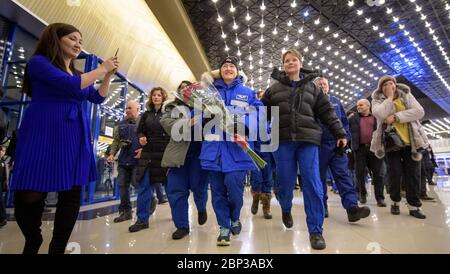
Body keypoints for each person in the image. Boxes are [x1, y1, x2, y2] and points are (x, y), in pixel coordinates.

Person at [9, 23, 118, 254]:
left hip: (73, 134)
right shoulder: (39, 63)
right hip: (43, 130)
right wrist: (101, 69)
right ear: (55, 39)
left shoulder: (78, 74)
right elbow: (69, 85)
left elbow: (97, 98)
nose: (78, 44)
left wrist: (107, 75)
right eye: (72, 38)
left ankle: (57, 248)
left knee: (71, 192)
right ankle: (33, 238)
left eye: (81, 40)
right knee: (29, 193)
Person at [262, 49, 347, 250]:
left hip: (308, 140)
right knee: (284, 182)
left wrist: (340, 133)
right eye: (286, 61)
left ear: (300, 63)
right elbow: (259, 113)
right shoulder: (273, 90)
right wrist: (245, 130)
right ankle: (285, 207)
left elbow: (327, 112)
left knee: (312, 183)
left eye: (294, 60)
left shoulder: (313, 88)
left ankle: (316, 230)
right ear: (283, 65)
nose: (290, 63)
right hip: (282, 141)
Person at [200, 56, 263, 246]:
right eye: (225, 66)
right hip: (214, 150)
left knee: (234, 188)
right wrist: (205, 115)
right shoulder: (209, 92)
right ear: (220, 71)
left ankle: (235, 217)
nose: (228, 68)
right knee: (217, 192)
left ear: (237, 71)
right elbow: (196, 115)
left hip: (237, 149)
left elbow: (259, 113)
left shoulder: (248, 92)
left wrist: (243, 127)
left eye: (232, 66)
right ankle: (224, 227)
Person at [371, 75, 429, 219]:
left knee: (414, 175)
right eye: (385, 85)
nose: (389, 86)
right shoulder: (378, 100)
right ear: (381, 89)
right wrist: (389, 98)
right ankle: (395, 202)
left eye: (391, 83)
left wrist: (397, 117)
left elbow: (419, 111)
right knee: (394, 174)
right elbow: (380, 114)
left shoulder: (406, 95)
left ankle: (414, 206)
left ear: (396, 85)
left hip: (412, 142)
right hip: (392, 144)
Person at [314, 77, 370, 220]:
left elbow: (344, 122)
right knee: (319, 179)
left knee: (343, 176)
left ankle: (352, 209)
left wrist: (345, 138)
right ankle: (322, 206)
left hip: (336, 145)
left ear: (328, 87)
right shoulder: (311, 101)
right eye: (319, 84)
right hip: (318, 146)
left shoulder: (336, 101)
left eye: (324, 84)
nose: (322, 86)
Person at [160, 80, 209, 240]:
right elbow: (167, 124)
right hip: (178, 155)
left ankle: (201, 208)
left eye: (188, 88)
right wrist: (187, 122)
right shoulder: (171, 107)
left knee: (199, 187)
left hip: (199, 155)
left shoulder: (204, 106)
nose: (185, 90)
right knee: (176, 191)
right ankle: (182, 226)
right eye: (181, 88)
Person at [128, 87, 170, 232]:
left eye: (159, 95)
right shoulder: (146, 115)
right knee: (144, 187)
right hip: (148, 154)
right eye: (154, 95)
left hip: (165, 155)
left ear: (163, 97)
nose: (156, 97)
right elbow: (140, 131)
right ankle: (142, 220)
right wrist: (141, 137)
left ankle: (178, 217)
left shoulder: (169, 113)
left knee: (172, 189)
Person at [108, 100, 142, 223]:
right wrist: (112, 153)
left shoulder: (143, 123)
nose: (127, 110)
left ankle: (150, 202)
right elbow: (116, 140)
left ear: (137, 109)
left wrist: (144, 150)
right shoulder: (120, 124)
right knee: (122, 186)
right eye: (126, 108)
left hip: (137, 161)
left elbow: (149, 139)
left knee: (136, 183)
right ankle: (125, 212)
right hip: (123, 160)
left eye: (130, 108)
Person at [349, 99, 386, 206]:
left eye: (361, 104)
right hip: (360, 149)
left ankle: (380, 198)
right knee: (359, 174)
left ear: (368, 106)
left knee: (378, 174)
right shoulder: (353, 118)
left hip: (375, 149)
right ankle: (362, 195)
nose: (358, 106)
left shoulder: (376, 117)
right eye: (357, 105)